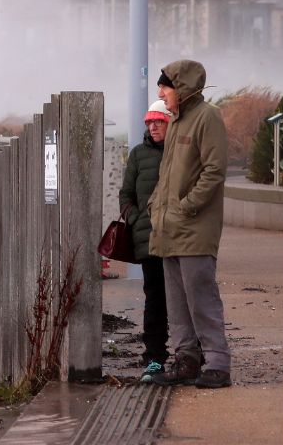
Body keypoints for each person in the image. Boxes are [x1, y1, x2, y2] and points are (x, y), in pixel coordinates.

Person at [148, 59, 231, 389]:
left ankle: (218, 364)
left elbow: (214, 170)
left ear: (181, 88)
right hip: (170, 229)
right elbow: (166, 176)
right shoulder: (177, 121)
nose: (161, 92)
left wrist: (186, 207)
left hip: (194, 228)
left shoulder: (207, 117)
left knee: (201, 298)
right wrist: (157, 208)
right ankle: (186, 360)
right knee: (177, 301)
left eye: (165, 86)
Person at [119, 99, 172, 383]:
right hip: (148, 239)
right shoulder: (139, 155)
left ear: (169, 122)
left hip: (177, 238)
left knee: (184, 298)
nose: (152, 126)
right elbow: (125, 194)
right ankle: (154, 358)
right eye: (149, 122)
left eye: (158, 121)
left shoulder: (181, 152)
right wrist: (136, 219)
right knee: (155, 298)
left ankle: (193, 354)